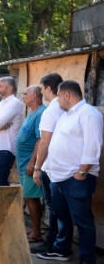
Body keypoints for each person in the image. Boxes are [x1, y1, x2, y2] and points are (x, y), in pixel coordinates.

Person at [36, 80, 103, 263]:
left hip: (76, 178)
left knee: (83, 222)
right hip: (58, 177)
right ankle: (62, 250)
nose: (57, 100)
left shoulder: (89, 113)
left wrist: (82, 172)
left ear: (66, 95)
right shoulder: (66, 115)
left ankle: (87, 260)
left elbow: (93, 145)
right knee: (62, 217)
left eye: (58, 96)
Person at [32, 73, 73, 255]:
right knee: (59, 208)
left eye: (42, 89)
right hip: (63, 166)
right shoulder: (66, 108)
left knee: (55, 208)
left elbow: (44, 141)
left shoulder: (52, 109)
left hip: (52, 167)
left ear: (49, 88)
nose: (42, 93)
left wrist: (37, 167)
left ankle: (55, 245)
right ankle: (55, 244)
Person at [16, 85, 46, 243]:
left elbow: (40, 139)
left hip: (29, 163)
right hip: (22, 164)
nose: (23, 96)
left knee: (31, 198)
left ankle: (36, 233)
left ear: (34, 95)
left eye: (25, 94)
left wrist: (32, 163)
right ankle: (35, 230)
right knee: (28, 198)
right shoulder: (32, 113)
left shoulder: (41, 113)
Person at [0, 76, 24, 186]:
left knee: (0, 184)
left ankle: (5, 204)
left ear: (9, 88)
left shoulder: (15, 103)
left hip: (5, 149)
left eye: (0, 86)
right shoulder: (1, 103)